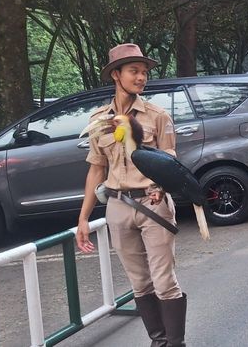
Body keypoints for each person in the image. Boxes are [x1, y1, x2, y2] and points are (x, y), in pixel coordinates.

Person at [77, 43, 187, 346]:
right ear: (116, 74)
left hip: (154, 206)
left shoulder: (157, 116)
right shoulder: (99, 120)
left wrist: (160, 186)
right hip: (118, 206)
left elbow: (170, 161)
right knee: (139, 283)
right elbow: (96, 170)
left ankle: (176, 344)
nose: (141, 78)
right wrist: (83, 218)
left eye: (144, 72)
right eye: (133, 71)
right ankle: (159, 340)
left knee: (164, 282)